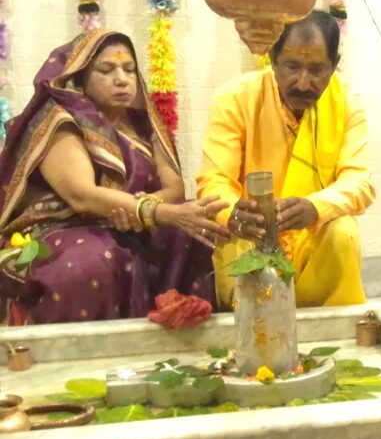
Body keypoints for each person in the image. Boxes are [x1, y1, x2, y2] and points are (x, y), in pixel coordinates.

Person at [0, 30, 228, 325]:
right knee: (92, 260)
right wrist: (148, 211)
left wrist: (141, 211)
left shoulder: (143, 123)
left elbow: (173, 186)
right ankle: (81, 350)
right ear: (81, 78)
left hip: (129, 222)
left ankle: (184, 343)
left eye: (129, 69)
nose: (121, 79)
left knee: (194, 234)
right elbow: (81, 195)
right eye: (106, 70)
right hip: (64, 227)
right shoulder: (60, 120)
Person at [197, 10, 374, 309]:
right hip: (252, 234)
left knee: (344, 231)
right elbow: (214, 181)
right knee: (233, 236)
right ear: (272, 58)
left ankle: (333, 328)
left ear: (335, 65)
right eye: (292, 66)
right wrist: (235, 215)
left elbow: (359, 182)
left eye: (317, 69)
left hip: (311, 237)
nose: (303, 83)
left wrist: (315, 208)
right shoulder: (235, 98)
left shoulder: (347, 102)